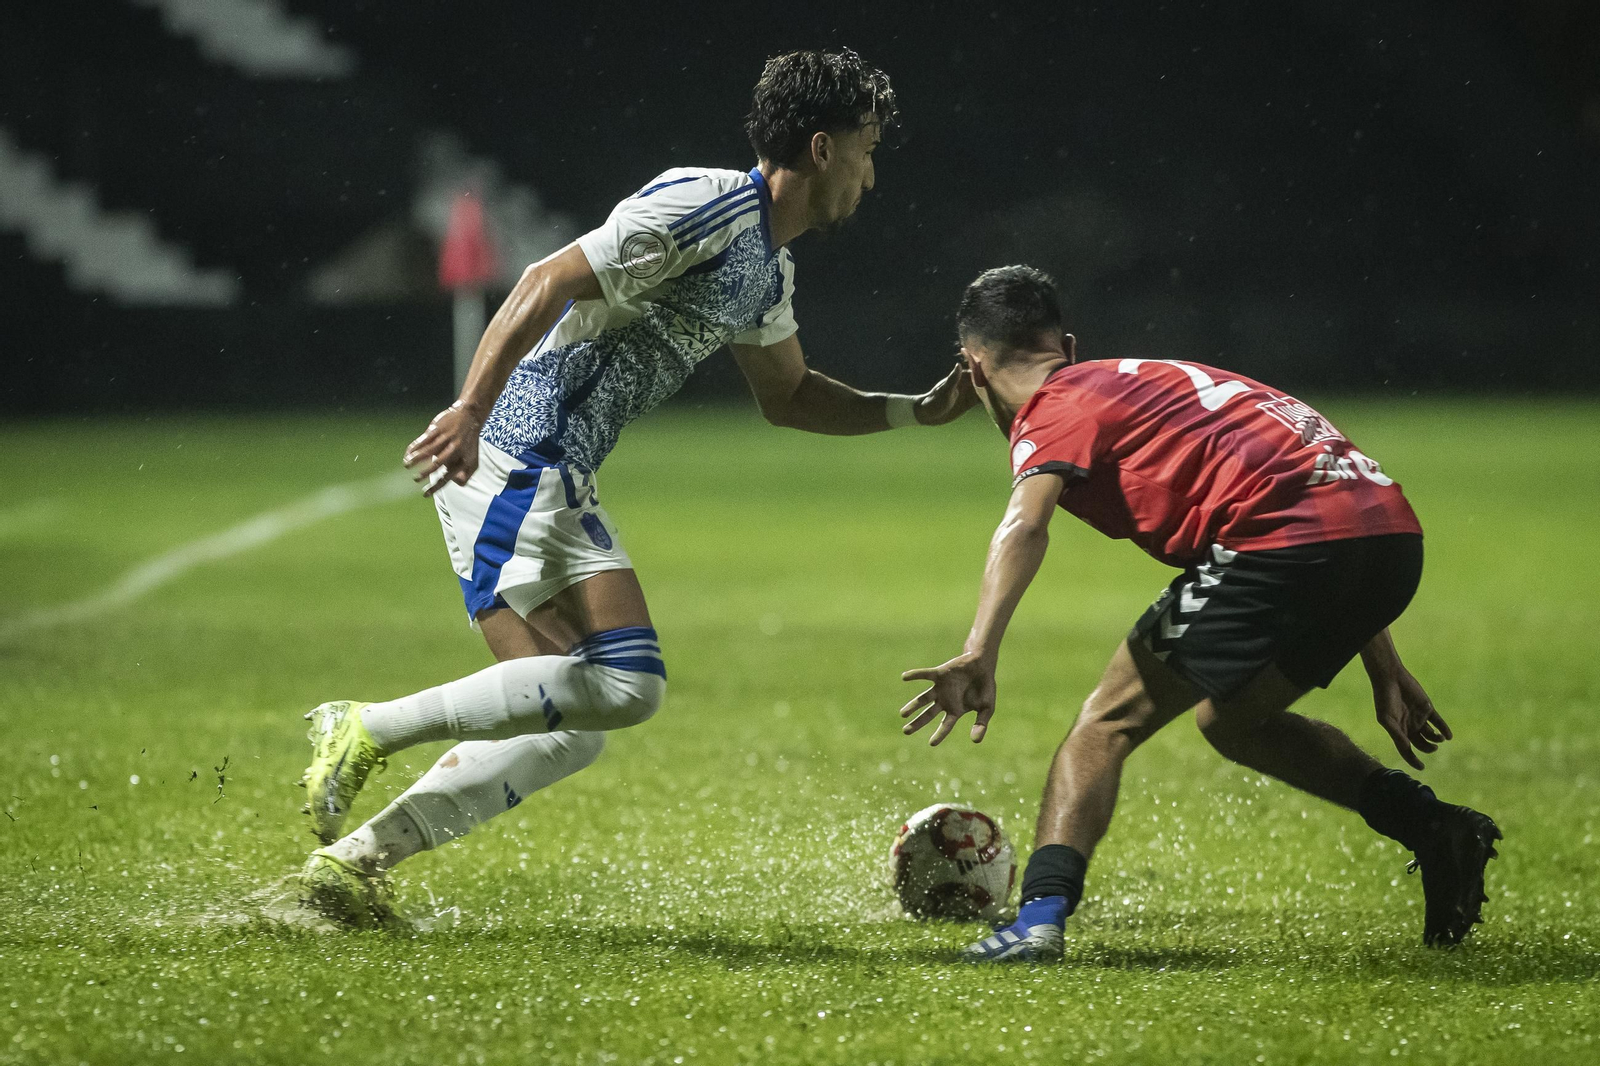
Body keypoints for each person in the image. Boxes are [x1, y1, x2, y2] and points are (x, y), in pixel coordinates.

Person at [295, 48, 976, 927]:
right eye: (868, 149)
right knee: (628, 685)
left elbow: (791, 394)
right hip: (521, 453)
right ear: (821, 148)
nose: (872, 175)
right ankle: (366, 725)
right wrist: (471, 407)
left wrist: (919, 412)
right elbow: (546, 279)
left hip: (534, 467)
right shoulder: (706, 205)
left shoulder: (767, 269)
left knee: (571, 725)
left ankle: (354, 865)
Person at [900, 265, 1499, 962]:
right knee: (1233, 720)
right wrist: (1384, 662)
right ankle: (1435, 828)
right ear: (1065, 342)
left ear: (972, 368)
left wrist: (979, 649)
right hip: (1390, 536)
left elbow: (1024, 525)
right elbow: (1317, 484)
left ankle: (1037, 923)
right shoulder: (1145, 377)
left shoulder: (1052, 405)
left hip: (1284, 541)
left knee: (1105, 723)